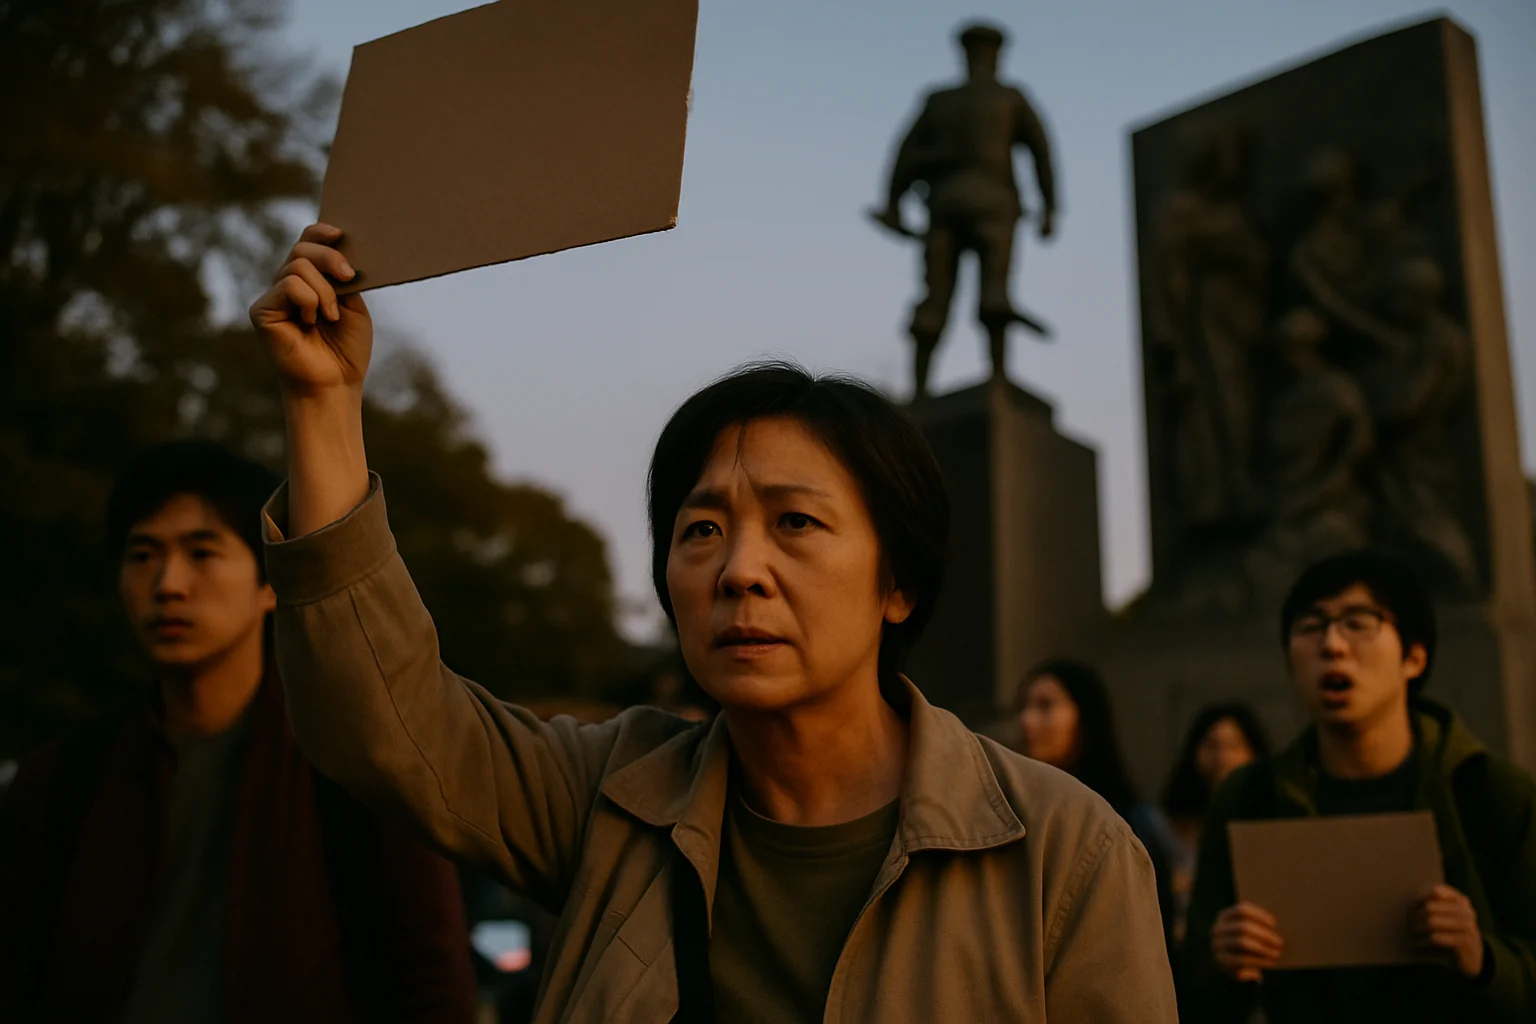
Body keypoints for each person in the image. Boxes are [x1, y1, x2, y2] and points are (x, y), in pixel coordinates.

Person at [245, 222, 1177, 1022]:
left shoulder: (1065, 852)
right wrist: (324, 406)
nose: (739, 571)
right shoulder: (608, 798)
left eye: (796, 523)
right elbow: (386, 724)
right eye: (701, 530)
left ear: (898, 584)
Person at [0, 440, 477, 1023]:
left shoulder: (355, 767)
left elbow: (429, 981)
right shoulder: (61, 778)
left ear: (270, 584)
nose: (168, 583)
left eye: (202, 552)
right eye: (143, 554)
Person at [1183, 551, 1536, 1024]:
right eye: (1310, 626)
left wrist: (1482, 959)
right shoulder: (1248, 798)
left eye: (1359, 622)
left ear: (1414, 657)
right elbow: (1191, 993)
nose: (1332, 644)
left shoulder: (1489, 792)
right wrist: (1221, 961)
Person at [871, 21, 1058, 398]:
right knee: (994, 292)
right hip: (994, 205)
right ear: (997, 57)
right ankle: (998, 378)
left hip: (945, 206)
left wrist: (893, 205)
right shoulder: (1011, 98)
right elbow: (1042, 153)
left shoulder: (939, 101)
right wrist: (1050, 207)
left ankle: (921, 391)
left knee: (935, 297)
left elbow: (903, 156)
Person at [1014, 660, 1181, 947]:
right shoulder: (1016, 812)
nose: (1026, 721)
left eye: (1045, 706)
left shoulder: (1125, 822)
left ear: (1085, 718)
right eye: (1025, 707)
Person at [1161, 702, 1270, 944]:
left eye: (1234, 746)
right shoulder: (1168, 825)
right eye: (1211, 745)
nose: (1222, 757)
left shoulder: (1268, 819)